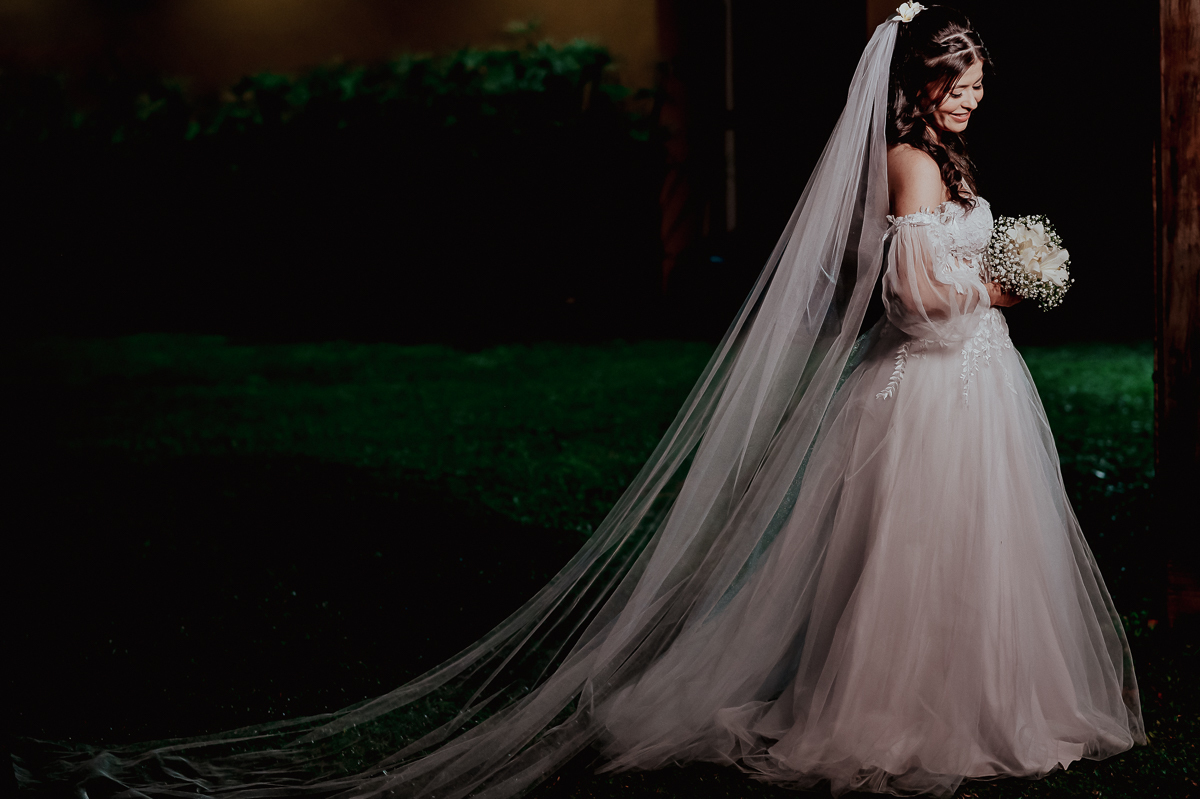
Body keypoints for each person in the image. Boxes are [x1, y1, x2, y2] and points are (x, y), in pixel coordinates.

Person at [41, 5, 1143, 798]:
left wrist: (998, 278)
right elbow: (909, 298)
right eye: (962, 80)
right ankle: (905, 709)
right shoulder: (909, 161)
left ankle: (986, 696)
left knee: (981, 553)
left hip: (974, 386)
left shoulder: (949, 159)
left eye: (979, 81)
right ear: (921, 84)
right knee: (917, 556)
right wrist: (1001, 286)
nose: (975, 95)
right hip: (928, 389)